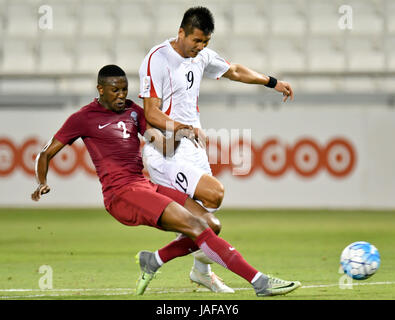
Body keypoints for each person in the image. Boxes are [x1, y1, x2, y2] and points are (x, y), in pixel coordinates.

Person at [31, 64, 301, 297]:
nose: (121, 95)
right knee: (195, 225)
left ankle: (154, 259)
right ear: (100, 89)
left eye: (124, 89)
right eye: (115, 90)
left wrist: (180, 132)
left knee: (210, 224)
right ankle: (259, 281)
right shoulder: (82, 118)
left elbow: (161, 146)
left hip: (142, 184)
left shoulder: (134, 112)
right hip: (120, 193)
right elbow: (46, 153)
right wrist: (41, 181)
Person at [138, 6, 295, 293]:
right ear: (181, 32)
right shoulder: (157, 59)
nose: (200, 48)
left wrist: (272, 82)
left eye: (206, 42)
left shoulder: (202, 56)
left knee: (210, 223)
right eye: (196, 41)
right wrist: (183, 128)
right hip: (165, 149)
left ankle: (178, 265)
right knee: (215, 194)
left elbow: (233, 70)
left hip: (191, 147)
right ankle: (252, 281)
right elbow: (151, 113)